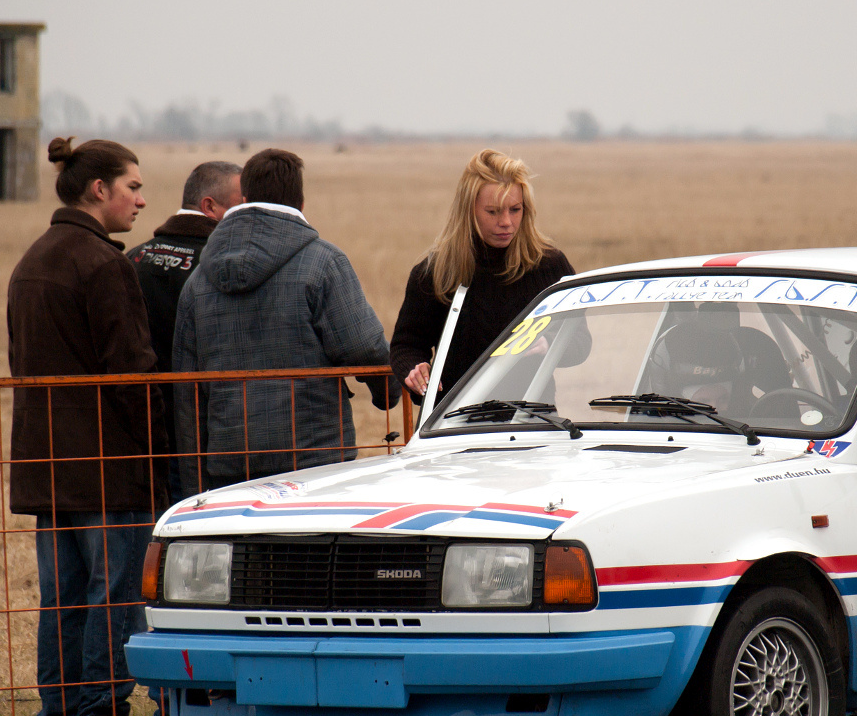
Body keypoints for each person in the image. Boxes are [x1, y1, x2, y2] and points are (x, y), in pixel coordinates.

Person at [9, 137, 167, 716]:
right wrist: (157, 451)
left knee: (62, 601)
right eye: (132, 186)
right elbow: (132, 373)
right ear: (98, 189)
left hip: (47, 468)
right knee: (115, 597)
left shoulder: (32, 260)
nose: (141, 200)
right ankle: (101, 715)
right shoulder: (102, 263)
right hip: (107, 467)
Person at [173, 148, 399, 495]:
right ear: (301, 203)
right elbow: (363, 346)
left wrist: (195, 485)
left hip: (231, 461)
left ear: (244, 198)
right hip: (314, 460)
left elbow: (188, 390)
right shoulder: (324, 262)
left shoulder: (198, 280)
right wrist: (387, 392)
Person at [390, 149, 577, 402]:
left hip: (534, 420)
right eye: (493, 212)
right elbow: (407, 345)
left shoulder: (550, 266)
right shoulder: (434, 272)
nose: (506, 222)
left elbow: (580, 342)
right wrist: (414, 371)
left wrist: (548, 343)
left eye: (515, 209)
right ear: (468, 211)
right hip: (453, 422)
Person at [128, 160, 242, 503]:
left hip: (139, 439)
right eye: (243, 204)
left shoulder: (132, 260)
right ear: (210, 206)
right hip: (206, 440)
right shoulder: (224, 268)